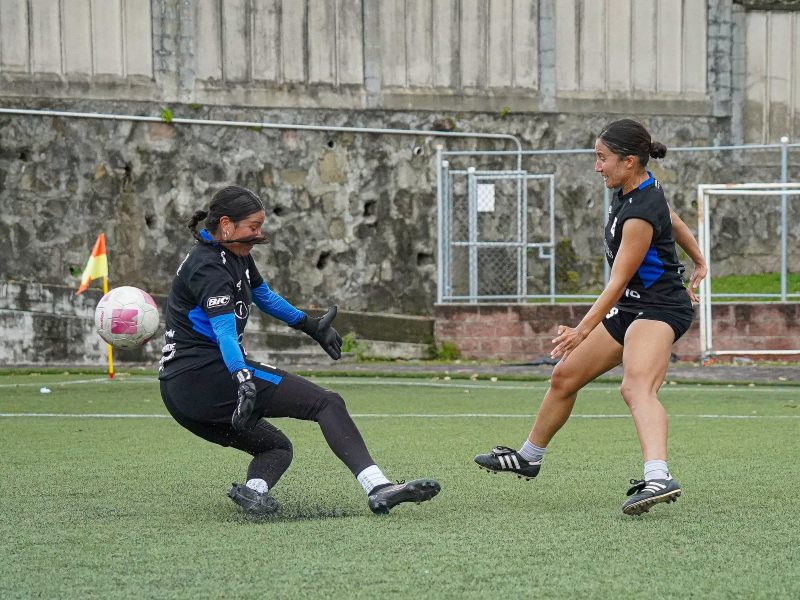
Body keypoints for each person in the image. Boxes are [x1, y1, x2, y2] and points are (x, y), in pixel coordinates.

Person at [158, 185, 440, 516]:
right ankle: (378, 487)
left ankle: (253, 493)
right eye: (254, 226)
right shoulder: (209, 267)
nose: (258, 234)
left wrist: (309, 324)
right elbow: (223, 333)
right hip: (208, 375)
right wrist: (241, 373)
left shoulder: (234, 253)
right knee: (327, 403)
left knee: (276, 447)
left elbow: (263, 294)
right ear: (225, 225)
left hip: (179, 394)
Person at [474, 119, 708, 515]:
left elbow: (616, 282)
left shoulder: (639, 213)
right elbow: (675, 218)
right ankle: (530, 457)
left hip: (660, 308)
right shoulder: (634, 189)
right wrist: (700, 259)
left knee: (635, 388)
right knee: (564, 377)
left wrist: (583, 330)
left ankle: (659, 476)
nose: (597, 167)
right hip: (635, 305)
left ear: (629, 160)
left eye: (603, 159)